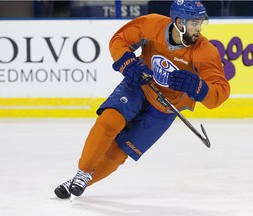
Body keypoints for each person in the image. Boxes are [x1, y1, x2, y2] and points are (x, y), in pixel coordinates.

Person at [54, 0, 230, 199]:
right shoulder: (152, 25)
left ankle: (79, 181)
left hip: (165, 109)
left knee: (118, 154)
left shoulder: (205, 51)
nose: (199, 28)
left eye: (201, 22)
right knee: (109, 120)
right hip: (139, 85)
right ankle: (83, 172)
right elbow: (119, 40)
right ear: (179, 22)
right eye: (194, 23)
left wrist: (198, 87)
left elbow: (220, 93)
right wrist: (128, 64)